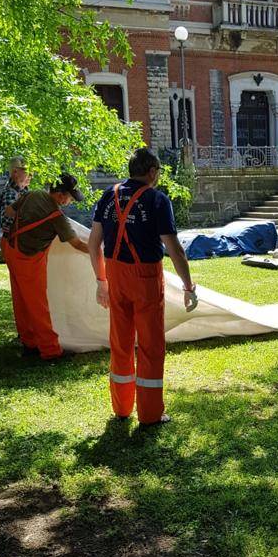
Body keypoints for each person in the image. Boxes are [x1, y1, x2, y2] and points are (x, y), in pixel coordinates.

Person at [88, 147, 197, 428]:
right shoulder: (157, 200)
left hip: (115, 275)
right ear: (151, 172)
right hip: (145, 278)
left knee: (120, 343)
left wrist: (101, 281)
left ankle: (122, 408)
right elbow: (175, 250)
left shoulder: (107, 196)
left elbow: (93, 243)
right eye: (158, 172)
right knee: (150, 346)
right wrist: (188, 285)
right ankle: (150, 414)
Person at [1, 173, 89, 360]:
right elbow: (78, 244)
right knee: (38, 305)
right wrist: (101, 253)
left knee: (21, 301)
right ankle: (50, 351)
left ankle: (29, 343)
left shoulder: (33, 194)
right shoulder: (57, 217)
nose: (70, 202)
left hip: (11, 248)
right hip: (28, 259)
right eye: (70, 198)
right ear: (61, 195)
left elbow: (9, 211)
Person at [0, 156, 32, 263]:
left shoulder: (24, 192)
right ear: (15, 172)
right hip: (13, 242)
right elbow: (9, 222)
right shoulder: (10, 193)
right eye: (27, 171)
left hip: (20, 242)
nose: (31, 175)